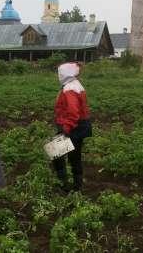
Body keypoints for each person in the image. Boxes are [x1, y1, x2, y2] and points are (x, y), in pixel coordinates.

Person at [53, 62, 92, 192]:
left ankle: (63, 184)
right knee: (74, 156)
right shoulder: (75, 85)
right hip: (79, 126)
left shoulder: (69, 89)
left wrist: (66, 128)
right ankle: (77, 186)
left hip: (73, 127)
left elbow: (73, 112)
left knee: (56, 152)